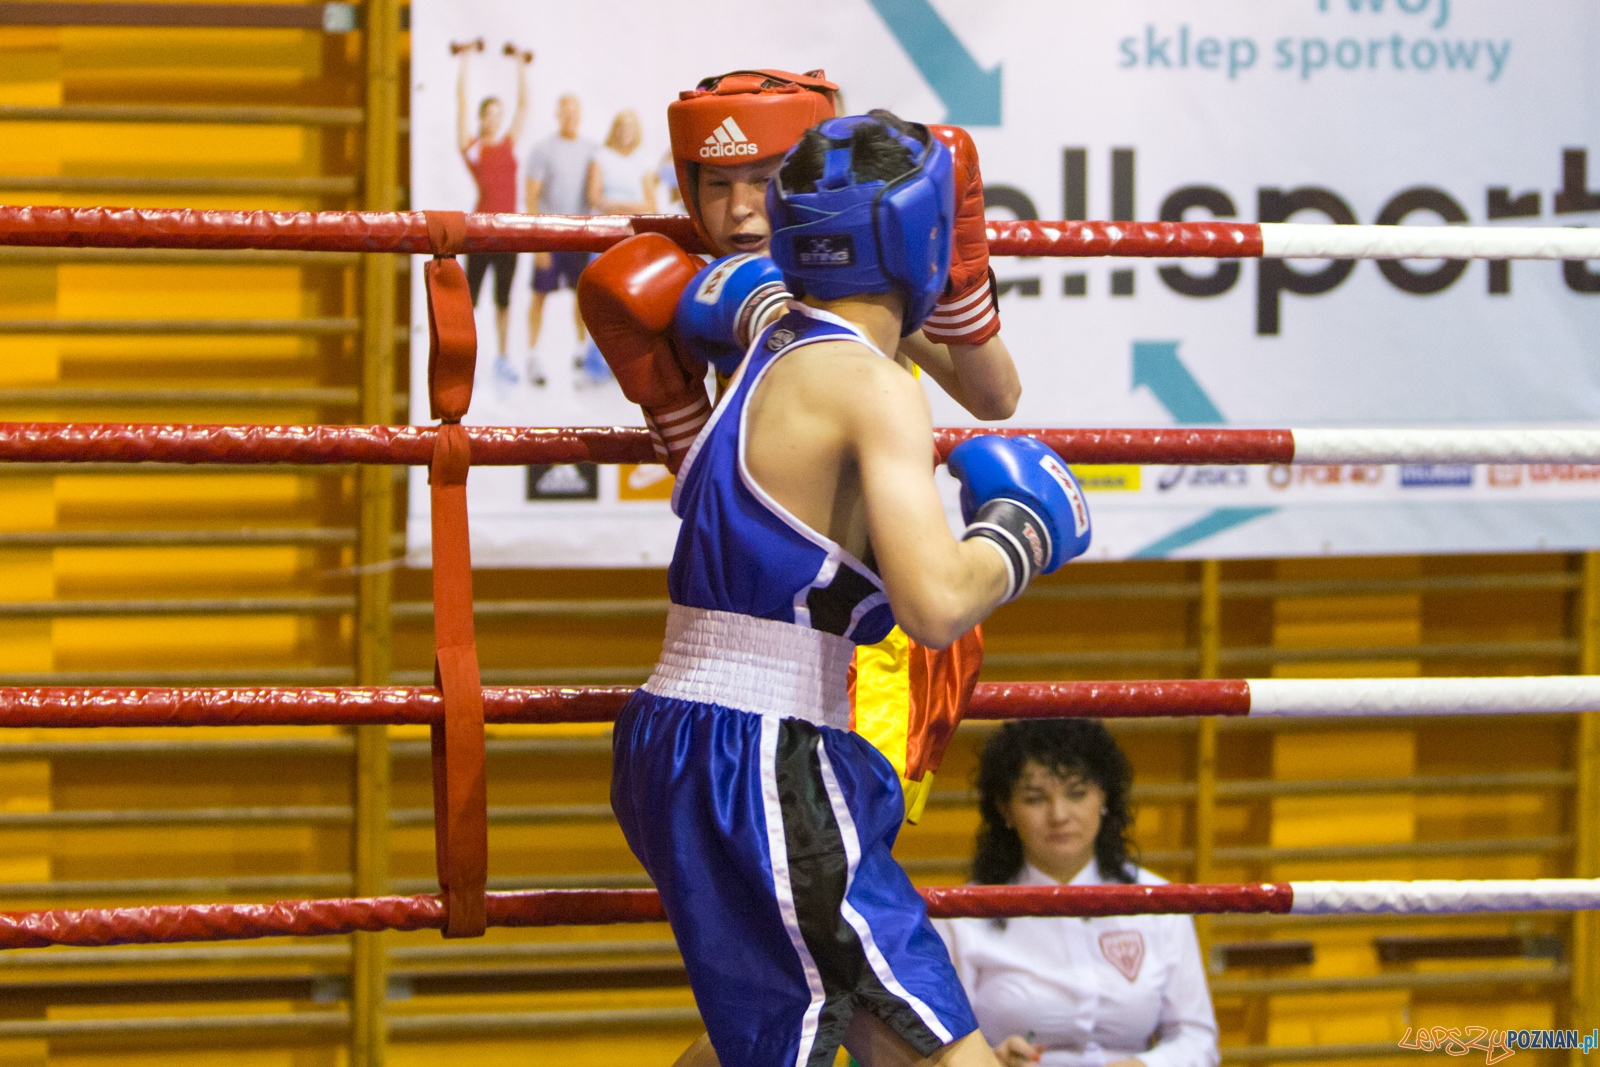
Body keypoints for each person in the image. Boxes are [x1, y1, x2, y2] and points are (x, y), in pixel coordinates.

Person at [586, 112, 1093, 1067]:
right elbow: (935, 603)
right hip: (765, 754)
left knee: (782, 1033)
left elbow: (983, 384)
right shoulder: (875, 386)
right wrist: (1019, 535)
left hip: (687, 736)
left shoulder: (767, 330)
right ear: (924, 240)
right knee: (939, 1049)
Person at [657, 71, 1020, 825]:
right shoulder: (712, 291)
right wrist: (668, 403)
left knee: (837, 853)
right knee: (812, 867)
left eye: (765, 179)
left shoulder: (859, 295)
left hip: (878, 628)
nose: (741, 208)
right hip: (765, 638)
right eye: (717, 184)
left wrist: (957, 276)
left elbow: (995, 395)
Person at [934, 721, 1220, 1067]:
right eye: (1034, 798)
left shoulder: (1158, 901)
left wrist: (1145, 1066)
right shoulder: (963, 915)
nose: (1059, 815)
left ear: (1104, 797)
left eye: (1077, 793)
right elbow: (942, 1049)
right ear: (1005, 809)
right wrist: (990, 1061)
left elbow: (1198, 1040)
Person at [455, 41, 529, 385]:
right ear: (481, 118)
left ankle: (502, 359)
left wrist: (520, 63)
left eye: (499, 114)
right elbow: (461, 103)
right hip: (480, 233)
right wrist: (466, 59)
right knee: (469, 298)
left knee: (503, 300)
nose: (494, 120)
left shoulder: (508, 144)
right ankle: (462, 356)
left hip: (509, 233)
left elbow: (524, 105)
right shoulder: (474, 149)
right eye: (489, 114)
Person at [524, 92, 597, 387]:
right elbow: (531, 197)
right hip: (549, 235)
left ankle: (581, 356)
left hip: (579, 237)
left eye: (574, 111)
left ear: (580, 115)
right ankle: (533, 356)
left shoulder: (592, 150)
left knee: (582, 298)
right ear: (558, 114)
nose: (570, 116)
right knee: (540, 296)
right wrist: (538, 243)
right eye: (565, 111)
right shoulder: (543, 149)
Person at [589, 109, 659, 214]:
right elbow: (594, 198)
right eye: (621, 126)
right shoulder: (601, 157)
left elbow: (652, 204)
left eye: (630, 127)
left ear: (636, 131)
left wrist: (617, 206)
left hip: (633, 221)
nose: (625, 131)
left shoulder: (643, 161)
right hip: (605, 219)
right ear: (614, 129)